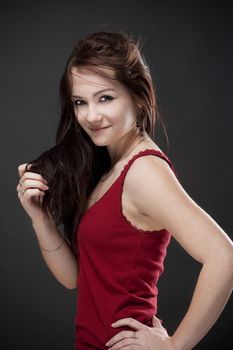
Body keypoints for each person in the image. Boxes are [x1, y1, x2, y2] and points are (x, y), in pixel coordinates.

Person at [16, 30, 233, 350]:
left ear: (137, 95)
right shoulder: (106, 164)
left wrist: (174, 346)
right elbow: (75, 279)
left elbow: (224, 256)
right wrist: (41, 221)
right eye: (80, 102)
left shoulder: (144, 171)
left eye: (105, 97)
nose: (91, 115)